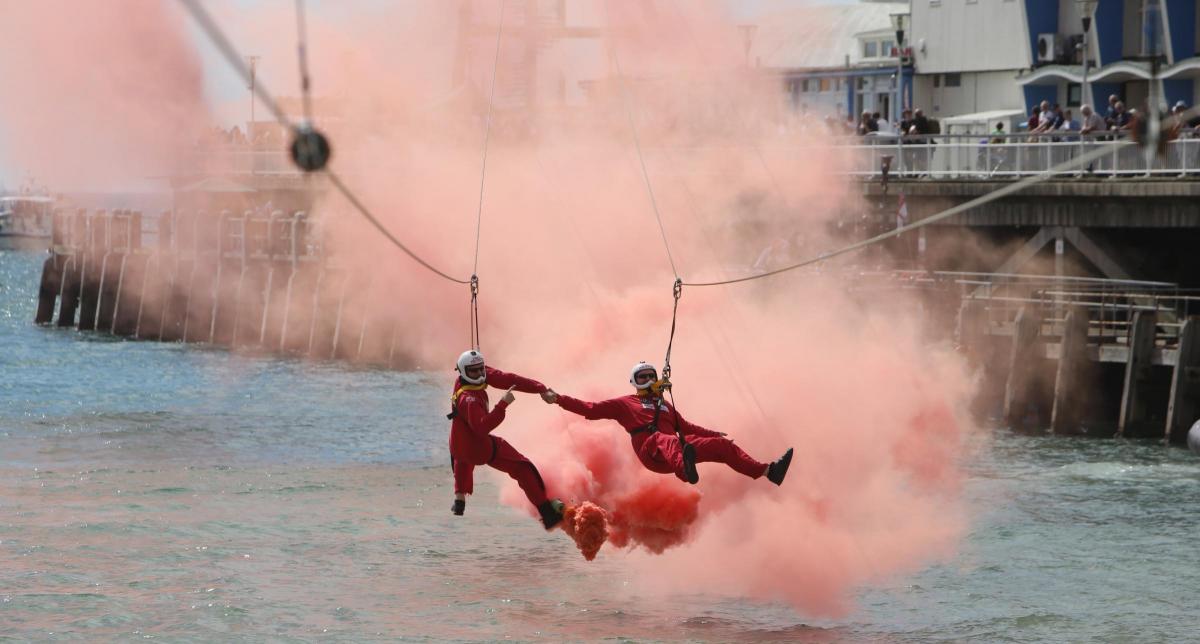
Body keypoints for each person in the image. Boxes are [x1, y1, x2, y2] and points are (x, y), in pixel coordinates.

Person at [540, 362, 794, 486]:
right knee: (666, 439)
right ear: (634, 381)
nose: (649, 379)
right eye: (643, 376)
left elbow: (687, 427)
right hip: (651, 452)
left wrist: (714, 434)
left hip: (676, 450)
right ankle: (685, 470)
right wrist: (558, 399)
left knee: (722, 446)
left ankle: (768, 472)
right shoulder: (624, 403)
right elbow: (591, 409)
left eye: (652, 375)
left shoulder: (666, 405)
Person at [448, 350, 565, 529]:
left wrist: (539, 388)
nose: (479, 375)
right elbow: (482, 427)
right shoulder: (469, 399)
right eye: (474, 371)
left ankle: (459, 500)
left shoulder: (466, 378)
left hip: (458, 446)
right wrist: (503, 404)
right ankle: (548, 513)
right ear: (463, 371)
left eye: (482, 369)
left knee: (462, 452)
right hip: (478, 449)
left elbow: (508, 379)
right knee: (522, 466)